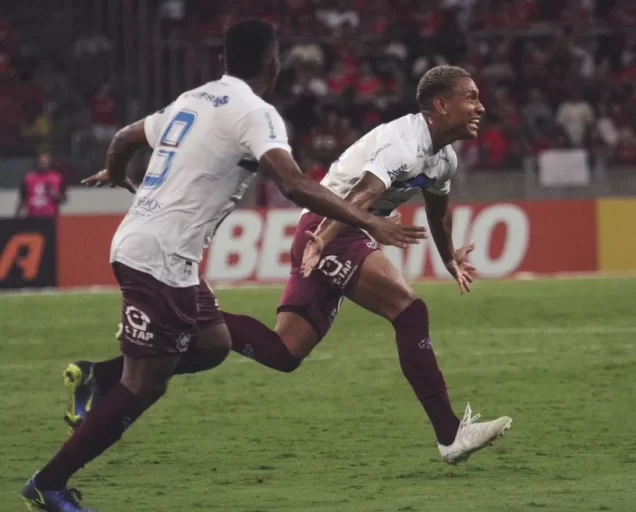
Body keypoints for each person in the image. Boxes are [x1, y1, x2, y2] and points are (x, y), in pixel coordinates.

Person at [22, 19, 425, 512]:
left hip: (167, 254)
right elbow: (295, 185)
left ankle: (96, 377)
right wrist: (368, 220)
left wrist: (122, 174)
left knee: (215, 343)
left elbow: (128, 137)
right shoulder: (257, 114)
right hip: (158, 259)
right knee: (144, 386)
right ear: (273, 63)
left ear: (224, 61)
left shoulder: (193, 98)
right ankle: (49, 482)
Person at [63, 65, 512, 473]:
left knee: (284, 353)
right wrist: (324, 239)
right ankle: (450, 434)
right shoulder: (404, 143)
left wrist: (449, 255)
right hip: (332, 228)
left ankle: (103, 374)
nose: (481, 105)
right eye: (471, 97)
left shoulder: (442, 158)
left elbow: (438, 211)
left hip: (334, 232)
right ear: (441, 104)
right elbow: (358, 199)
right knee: (409, 311)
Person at [15, 153, 66, 218]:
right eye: (41, 160)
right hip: (32, 216)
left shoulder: (56, 178)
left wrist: (56, 194)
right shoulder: (29, 178)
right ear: (37, 161)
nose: (43, 162)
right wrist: (17, 215)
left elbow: (63, 199)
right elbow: (22, 198)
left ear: (49, 162)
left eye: (45, 160)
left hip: (50, 216)